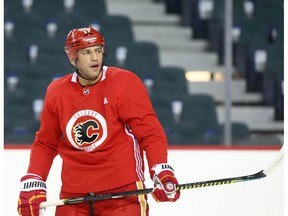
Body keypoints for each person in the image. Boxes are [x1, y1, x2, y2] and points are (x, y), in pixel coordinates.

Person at [17, 26, 180, 216]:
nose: (95, 58)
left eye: (98, 50)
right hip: (73, 197)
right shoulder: (56, 92)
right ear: (72, 58)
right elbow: (45, 143)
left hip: (123, 196)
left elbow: (150, 132)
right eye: (86, 52)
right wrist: (34, 180)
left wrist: (160, 169)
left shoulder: (125, 83)